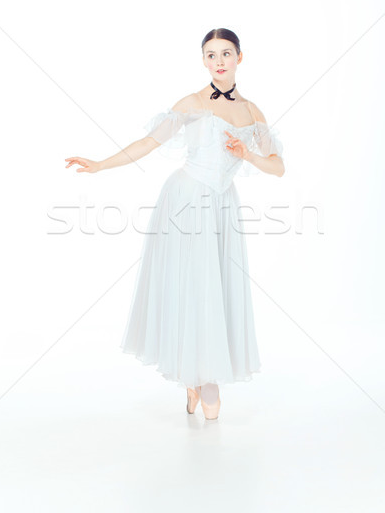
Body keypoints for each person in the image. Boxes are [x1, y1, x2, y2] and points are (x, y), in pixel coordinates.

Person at [65, 28, 285, 421]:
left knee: (215, 288)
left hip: (222, 206)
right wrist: (99, 164)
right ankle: (198, 377)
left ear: (239, 57)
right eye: (211, 55)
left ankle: (202, 376)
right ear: (203, 61)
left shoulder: (253, 112)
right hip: (185, 199)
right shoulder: (192, 102)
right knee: (193, 287)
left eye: (226, 53)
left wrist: (247, 154)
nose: (218, 61)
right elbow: (148, 143)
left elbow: (278, 167)